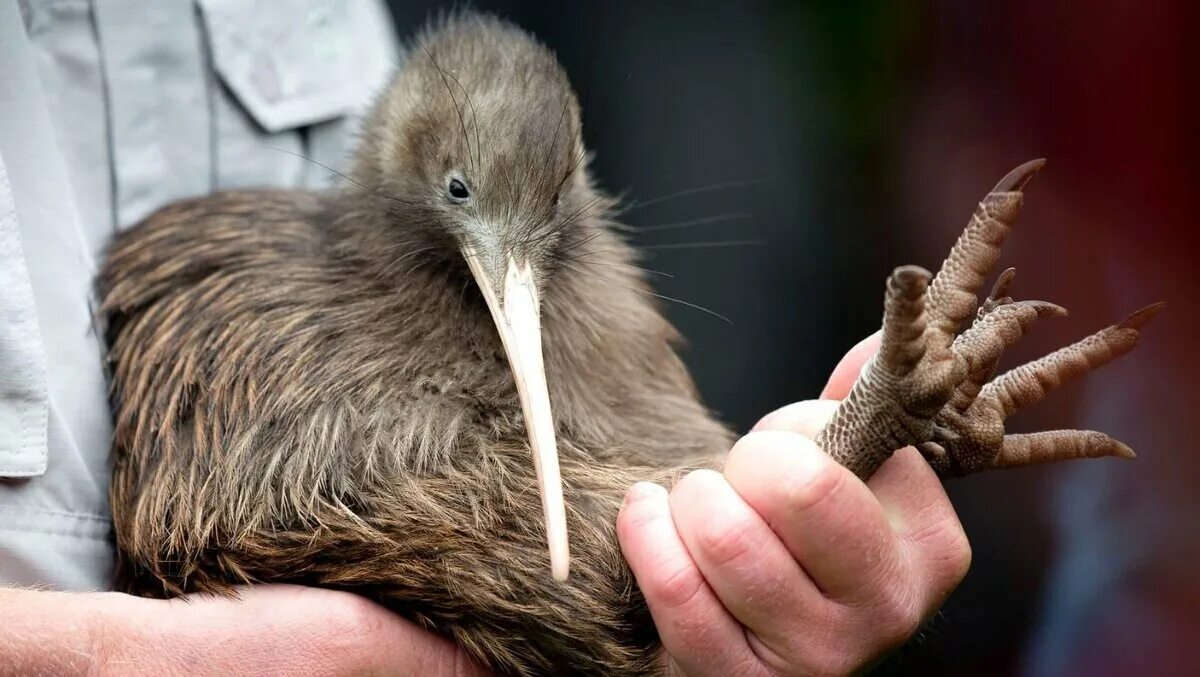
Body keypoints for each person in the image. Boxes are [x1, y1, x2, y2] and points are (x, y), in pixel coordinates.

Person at [0, 2, 971, 673]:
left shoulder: (483, 166)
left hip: (338, 404)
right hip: (293, 461)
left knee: (698, 537)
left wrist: (791, 556)